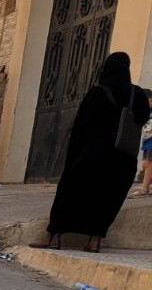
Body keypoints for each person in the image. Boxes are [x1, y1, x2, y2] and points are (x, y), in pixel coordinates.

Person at [33, 51, 151, 252]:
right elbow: (141, 119)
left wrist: (73, 158)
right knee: (107, 198)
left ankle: (53, 237)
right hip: (123, 159)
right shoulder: (138, 95)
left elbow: (80, 128)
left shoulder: (98, 93)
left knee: (69, 193)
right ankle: (94, 240)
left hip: (92, 156)